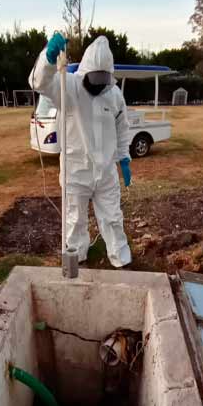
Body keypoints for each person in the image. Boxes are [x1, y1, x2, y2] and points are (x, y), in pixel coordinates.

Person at [29, 33, 132, 267]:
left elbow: (122, 127)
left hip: (106, 173)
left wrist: (124, 158)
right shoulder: (68, 84)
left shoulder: (114, 95)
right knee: (74, 221)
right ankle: (76, 262)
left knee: (113, 218)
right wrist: (48, 57)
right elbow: (39, 83)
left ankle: (122, 262)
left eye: (102, 79)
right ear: (85, 72)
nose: (97, 85)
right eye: (93, 78)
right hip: (76, 171)